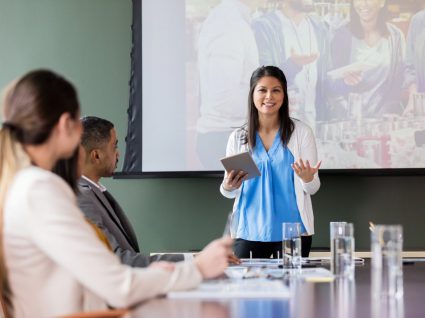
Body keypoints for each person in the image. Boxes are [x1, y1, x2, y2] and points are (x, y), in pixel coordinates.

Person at [0, 69, 232, 317]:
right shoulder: (39, 189)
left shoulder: (21, 184)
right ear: (66, 124)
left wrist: (161, 274)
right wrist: (197, 268)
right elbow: (120, 287)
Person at [220, 66, 321, 259]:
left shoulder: (301, 133)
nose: (269, 96)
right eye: (262, 90)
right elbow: (228, 192)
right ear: (252, 95)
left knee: (294, 288)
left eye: (276, 90)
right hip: (247, 232)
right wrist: (228, 185)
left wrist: (308, 179)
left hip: (293, 234)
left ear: (284, 95)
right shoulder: (238, 137)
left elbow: (313, 188)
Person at [78, 116, 183, 266]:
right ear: (96, 155)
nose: (118, 154)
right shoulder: (82, 198)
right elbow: (117, 260)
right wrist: (192, 261)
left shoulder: (91, 192)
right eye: (114, 146)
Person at [196, 0, 260, 169]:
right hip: (225, 140)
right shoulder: (229, 25)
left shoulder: (233, 20)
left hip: (228, 137)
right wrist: (266, 107)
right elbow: (223, 99)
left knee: (252, 193)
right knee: (250, 194)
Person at [252, 0, 330, 127]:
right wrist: (293, 65)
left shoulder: (320, 28)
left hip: (312, 126)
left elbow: (325, 82)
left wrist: (345, 81)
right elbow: (263, 78)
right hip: (278, 127)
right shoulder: (264, 26)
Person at [327, 0, 407, 119]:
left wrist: (390, 112)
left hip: (385, 120)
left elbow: (399, 80)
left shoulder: (396, 36)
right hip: (349, 120)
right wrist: (345, 83)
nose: (363, 4)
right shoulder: (341, 35)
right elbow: (329, 83)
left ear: (382, 2)